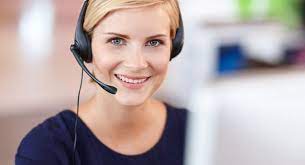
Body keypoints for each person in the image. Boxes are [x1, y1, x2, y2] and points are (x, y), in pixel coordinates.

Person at [15, 0, 188, 164]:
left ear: (174, 47)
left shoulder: (199, 130)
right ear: (86, 46)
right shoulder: (44, 150)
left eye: (154, 42)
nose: (137, 64)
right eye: (116, 41)